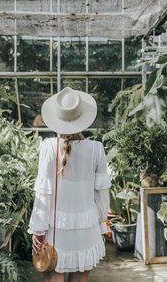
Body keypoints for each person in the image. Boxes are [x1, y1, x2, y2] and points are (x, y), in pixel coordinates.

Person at [27, 87, 111, 282]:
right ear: (82, 118)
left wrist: (38, 230)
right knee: (81, 275)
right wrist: (101, 222)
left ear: (57, 119)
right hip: (87, 225)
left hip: (55, 227)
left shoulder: (48, 146)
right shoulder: (96, 149)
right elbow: (102, 194)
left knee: (53, 274)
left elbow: (43, 193)